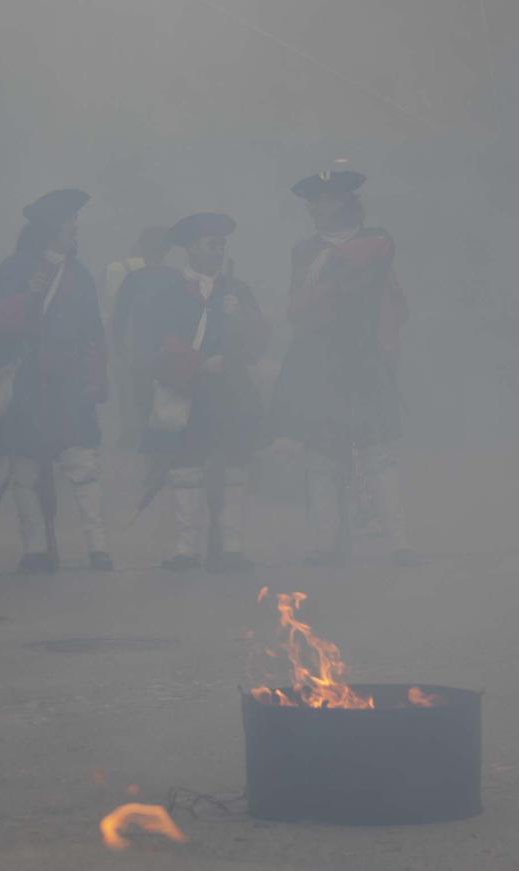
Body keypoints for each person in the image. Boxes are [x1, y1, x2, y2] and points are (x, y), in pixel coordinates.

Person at [270, 163, 413, 565]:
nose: (316, 207)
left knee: (378, 452)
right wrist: (331, 285)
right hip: (321, 362)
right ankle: (324, 545)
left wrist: (328, 278)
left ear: (345, 202)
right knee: (322, 455)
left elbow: (372, 276)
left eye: (325, 200)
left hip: (366, 360)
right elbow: (298, 311)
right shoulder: (304, 252)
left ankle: (400, 544)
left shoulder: (376, 241)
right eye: (313, 201)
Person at [130, 213, 269, 571]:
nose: (218, 250)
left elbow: (259, 344)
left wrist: (242, 318)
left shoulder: (239, 291)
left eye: (221, 243)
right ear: (191, 248)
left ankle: (232, 546)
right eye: (211, 243)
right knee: (186, 471)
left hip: (231, 392)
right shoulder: (168, 295)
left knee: (235, 468)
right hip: (188, 389)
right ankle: (185, 549)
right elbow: (155, 343)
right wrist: (198, 364)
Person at [0, 188, 111, 572]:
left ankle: (98, 547)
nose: (74, 229)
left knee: (82, 462)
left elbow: (94, 332)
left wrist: (94, 377)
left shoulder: (80, 273)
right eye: (68, 223)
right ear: (51, 229)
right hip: (28, 378)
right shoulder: (14, 268)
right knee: (25, 467)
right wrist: (29, 295)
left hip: (71, 379)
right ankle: (36, 548)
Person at [109, 226, 175, 451]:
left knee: (144, 400)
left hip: (143, 352)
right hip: (170, 351)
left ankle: (147, 443)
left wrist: (118, 347)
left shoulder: (133, 280)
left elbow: (119, 319)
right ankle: (164, 444)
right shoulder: (176, 278)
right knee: (169, 396)